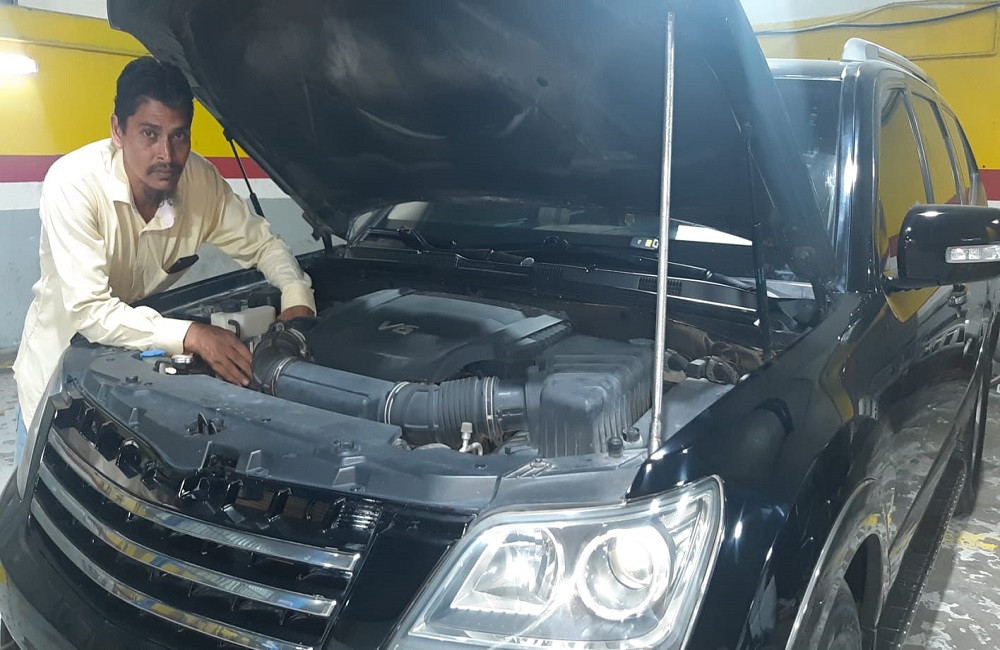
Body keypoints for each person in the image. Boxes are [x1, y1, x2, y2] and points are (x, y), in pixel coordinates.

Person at [12, 56, 316, 463]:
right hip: (58, 381)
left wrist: (296, 297)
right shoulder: (74, 185)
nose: (167, 155)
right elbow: (90, 311)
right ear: (117, 130)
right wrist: (194, 335)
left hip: (132, 378)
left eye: (178, 136)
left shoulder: (199, 182)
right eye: (149, 134)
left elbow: (264, 245)